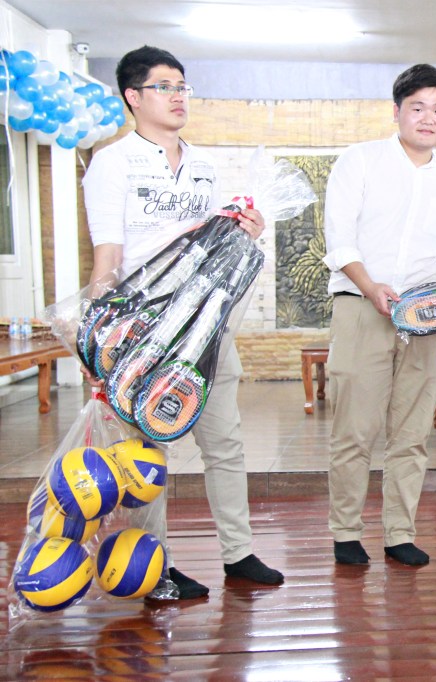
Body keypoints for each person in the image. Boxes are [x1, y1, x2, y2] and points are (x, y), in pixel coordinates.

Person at [83, 45, 283, 598]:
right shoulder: (113, 163)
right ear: (133, 96)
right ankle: (154, 565)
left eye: (182, 86)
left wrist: (247, 229)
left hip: (204, 325)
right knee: (147, 454)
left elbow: (216, 242)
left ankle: (239, 552)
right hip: (142, 330)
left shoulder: (203, 165)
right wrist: (97, 343)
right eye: (164, 87)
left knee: (226, 442)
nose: (178, 97)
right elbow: (108, 258)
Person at [322, 64, 436, 567]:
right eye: (418, 107)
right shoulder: (359, 161)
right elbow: (339, 238)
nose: (429, 118)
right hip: (362, 308)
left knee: (412, 433)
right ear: (397, 111)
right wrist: (371, 286)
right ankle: (346, 532)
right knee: (354, 429)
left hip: (426, 321)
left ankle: (399, 533)